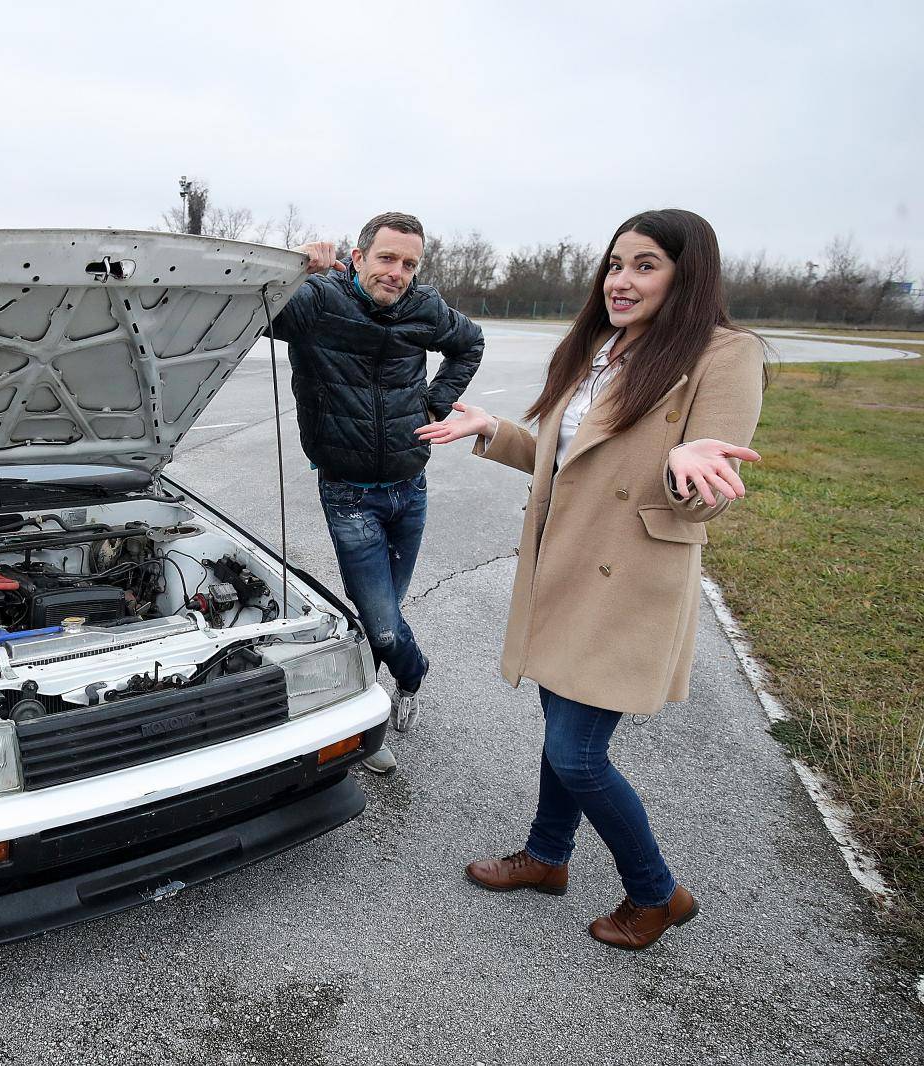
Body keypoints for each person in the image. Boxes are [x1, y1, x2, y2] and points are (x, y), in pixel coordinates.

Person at [414, 208, 765, 950]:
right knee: (559, 730)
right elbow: (564, 458)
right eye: (615, 264)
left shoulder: (723, 354)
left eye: (645, 265)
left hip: (625, 580)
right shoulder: (603, 348)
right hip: (560, 564)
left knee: (578, 751)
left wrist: (685, 469)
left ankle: (655, 892)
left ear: (687, 274)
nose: (622, 280)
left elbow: (709, 485)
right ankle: (547, 857)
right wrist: (493, 431)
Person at [273, 212, 485, 775]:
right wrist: (290, 265)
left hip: (409, 488)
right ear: (360, 257)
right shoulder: (317, 301)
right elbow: (249, 309)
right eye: (387, 258)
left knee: (380, 619)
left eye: (409, 263)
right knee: (386, 625)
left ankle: (368, 721)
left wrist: (436, 403)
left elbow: (469, 343)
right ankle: (410, 677)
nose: (397, 273)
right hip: (349, 496)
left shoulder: (424, 308)